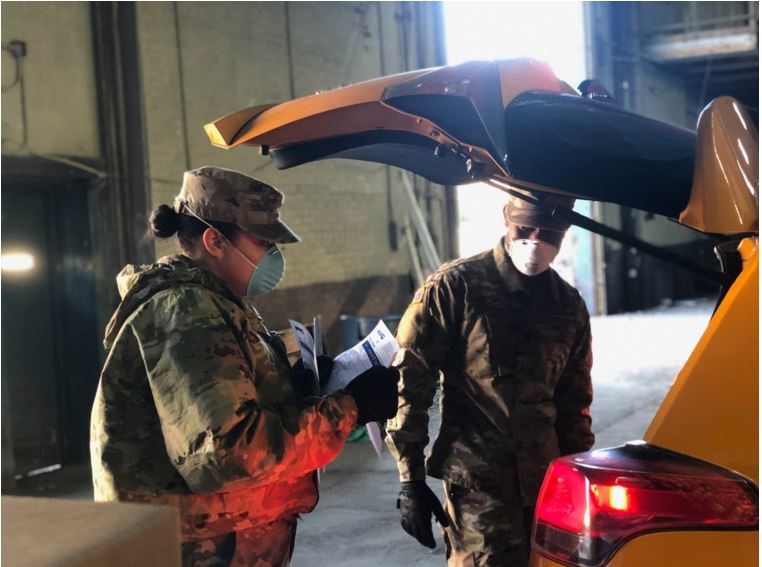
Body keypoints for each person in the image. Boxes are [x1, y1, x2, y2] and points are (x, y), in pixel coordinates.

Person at [90, 166, 399, 566]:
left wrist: (300, 386)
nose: (273, 256)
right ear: (214, 240)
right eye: (263, 242)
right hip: (195, 550)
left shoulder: (218, 300)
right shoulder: (187, 311)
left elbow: (235, 398)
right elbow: (226, 455)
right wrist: (348, 407)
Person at [386, 190, 594, 566]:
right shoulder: (455, 287)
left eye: (549, 233)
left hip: (547, 486)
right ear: (505, 216)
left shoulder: (567, 306)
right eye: (525, 227)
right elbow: (409, 384)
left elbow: (574, 403)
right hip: (479, 489)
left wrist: (578, 478)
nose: (535, 240)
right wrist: (410, 479)